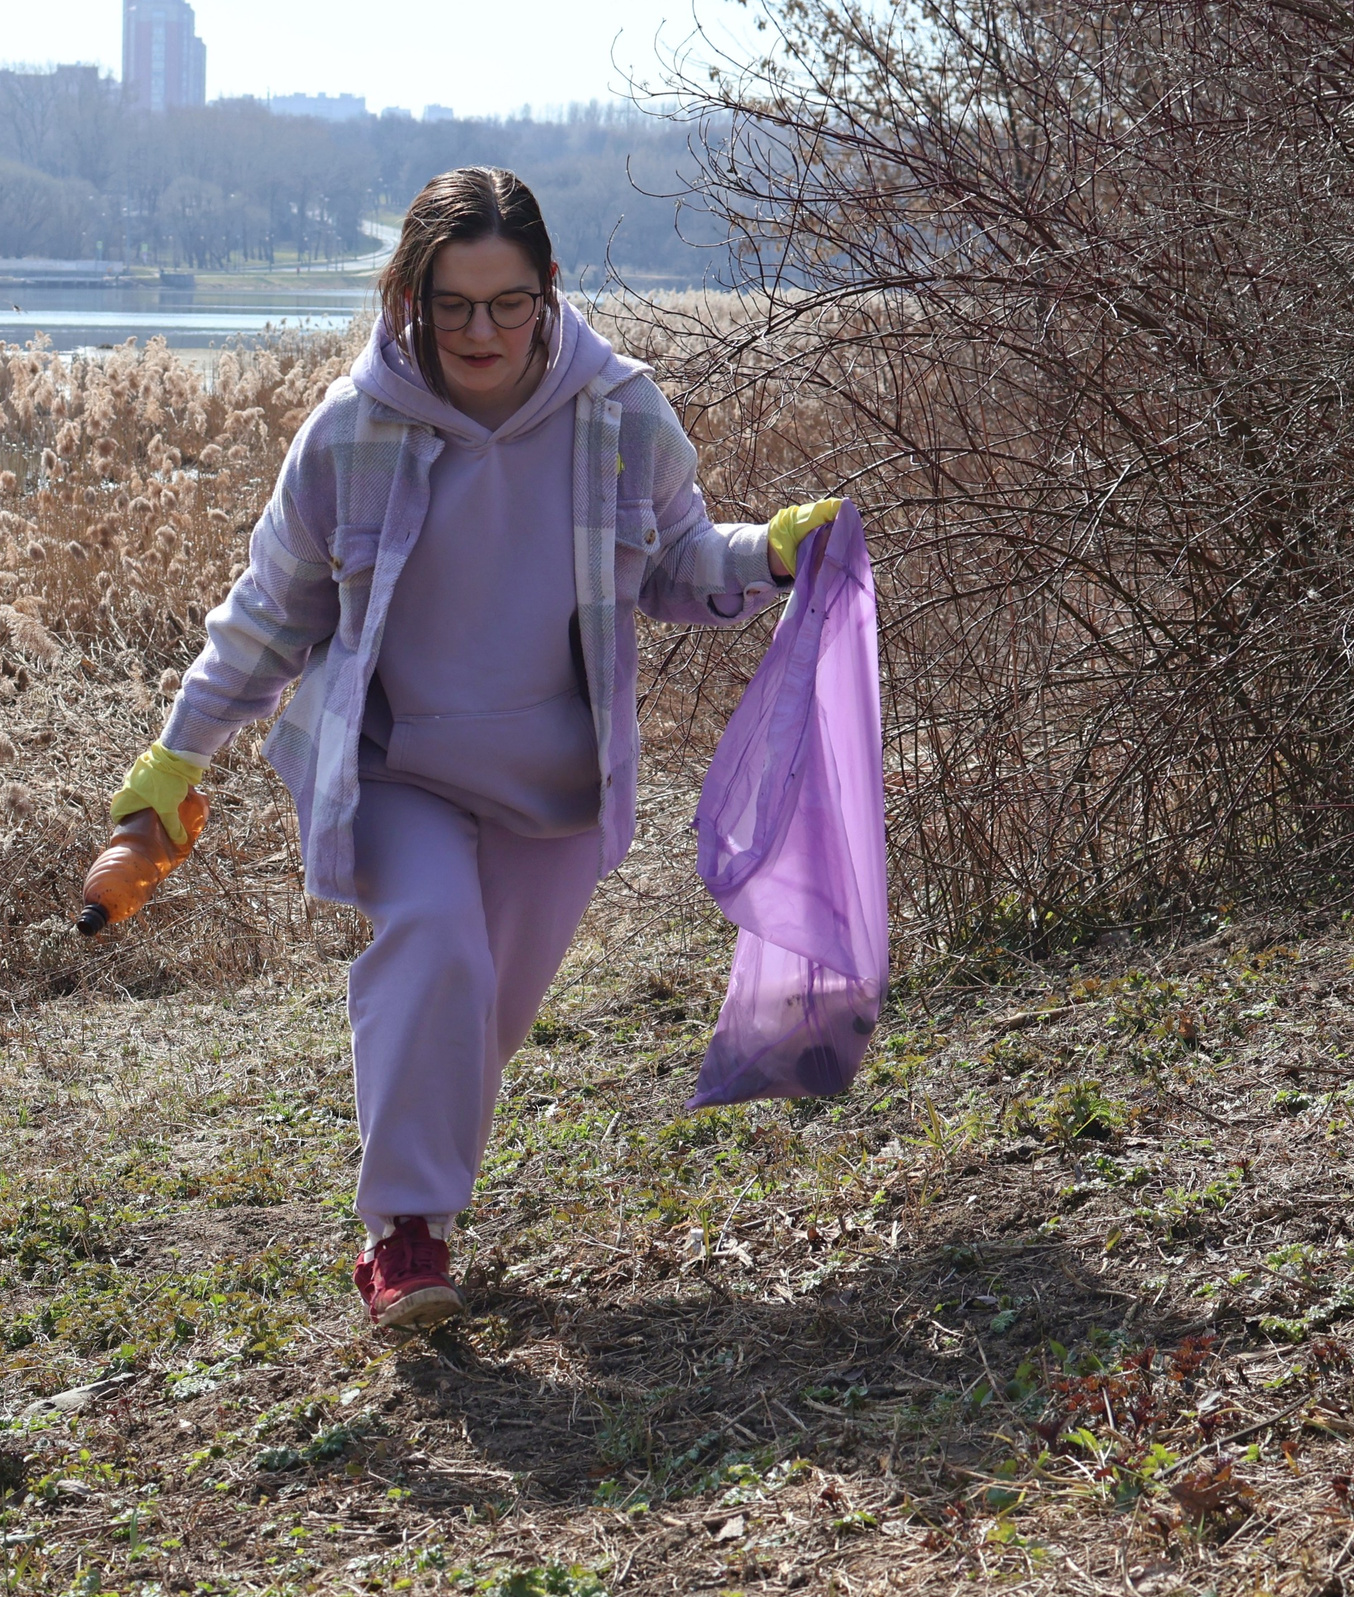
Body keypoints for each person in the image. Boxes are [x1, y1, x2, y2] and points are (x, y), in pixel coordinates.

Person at [110, 167, 841, 1330]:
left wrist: (773, 554)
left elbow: (677, 563)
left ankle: (421, 1201)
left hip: (554, 780)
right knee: (434, 944)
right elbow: (269, 616)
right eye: (452, 305)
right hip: (400, 771)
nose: (480, 331)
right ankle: (405, 1238)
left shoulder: (620, 411)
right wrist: (174, 759)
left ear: (548, 291)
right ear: (410, 297)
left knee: (478, 1019)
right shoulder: (352, 430)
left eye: (506, 303)